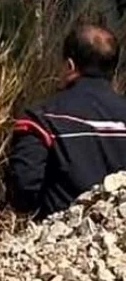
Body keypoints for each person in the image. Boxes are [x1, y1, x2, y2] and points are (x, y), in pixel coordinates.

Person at [8, 24, 126, 218]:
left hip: (64, 239)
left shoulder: (42, 119)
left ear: (70, 66)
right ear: (112, 70)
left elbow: (23, 192)